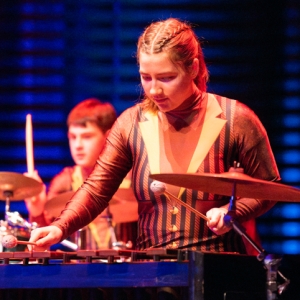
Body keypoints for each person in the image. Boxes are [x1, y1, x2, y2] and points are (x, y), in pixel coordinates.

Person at [29, 18, 279, 258]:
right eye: (145, 77)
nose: (154, 90)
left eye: (167, 78)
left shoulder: (237, 120)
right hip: (151, 271)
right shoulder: (130, 123)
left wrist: (232, 211)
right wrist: (60, 227)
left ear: (193, 68)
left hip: (218, 269)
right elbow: (96, 188)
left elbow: (268, 187)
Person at [25, 98, 136, 250]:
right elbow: (43, 243)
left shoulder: (134, 177)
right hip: (84, 271)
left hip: (131, 269)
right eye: (73, 137)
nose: (78, 145)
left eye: (87, 137)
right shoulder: (64, 181)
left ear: (109, 136)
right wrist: (37, 210)